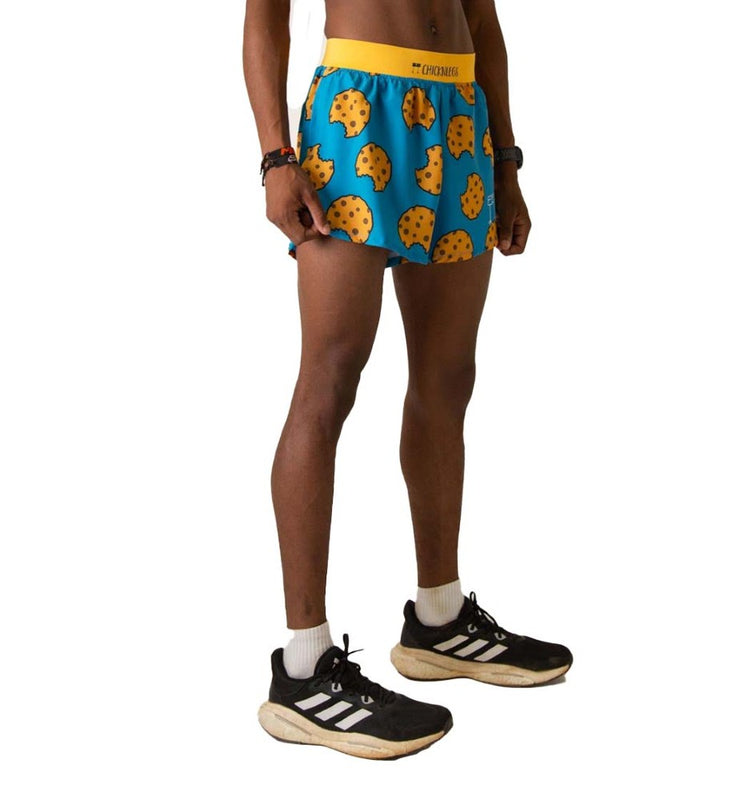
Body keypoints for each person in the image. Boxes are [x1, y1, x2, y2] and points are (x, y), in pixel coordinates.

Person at [243, 0, 572, 760]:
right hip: (358, 114)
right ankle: (303, 670)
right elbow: (265, 16)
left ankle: (439, 620)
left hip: (460, 117)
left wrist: (506, 161)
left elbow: (482, 23)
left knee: (448, 381)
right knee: (329, 382)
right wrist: (274, 157)